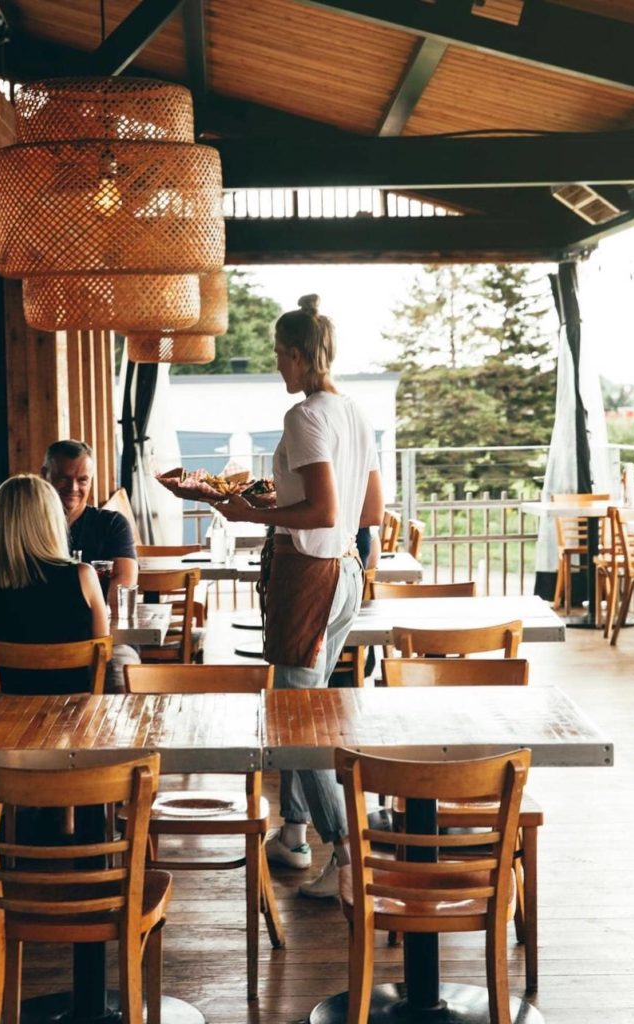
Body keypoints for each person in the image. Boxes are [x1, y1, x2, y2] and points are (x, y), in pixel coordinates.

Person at [221, 293, 384, 898]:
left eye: (278, 357)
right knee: (306, 707)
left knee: (295, 721)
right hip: (344, 572)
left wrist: (245, 509)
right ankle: (292, 834)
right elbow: (368, 511)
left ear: (295, 355)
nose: (278, 368)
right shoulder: (354, 412)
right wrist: (273, 504)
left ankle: (344, 855)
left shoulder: (304, 417)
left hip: (308, 573)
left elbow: (319, 508)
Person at [0, 474, 109, 694]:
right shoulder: (83, 575)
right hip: (76, 711)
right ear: (51, 521)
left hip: (8, 713)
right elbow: (104, 650)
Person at [41, 439, 140, 691]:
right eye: (63, 478)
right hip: (41, 641)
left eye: (82, 480)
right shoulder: (31, 528)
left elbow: (123, 585)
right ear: (44, 476)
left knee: (120, 682)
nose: (73, 488)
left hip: (110, 641)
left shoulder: (112, 524)